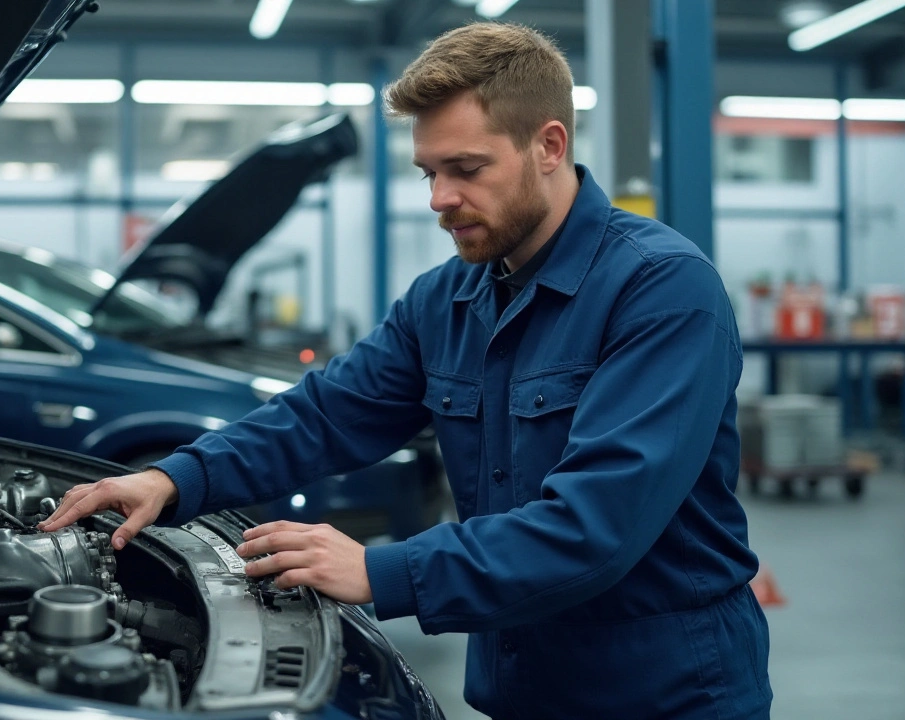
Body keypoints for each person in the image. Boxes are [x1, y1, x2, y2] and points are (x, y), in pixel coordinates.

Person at [40, 21, 771, 720]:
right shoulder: (447, 298)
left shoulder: (662, 290)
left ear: (549, 145)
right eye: (429, 171)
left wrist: (381, 572)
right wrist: (174, 479)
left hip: (665, 697)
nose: (440, 200)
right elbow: (327, 414)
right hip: (524, 689)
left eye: (467, 169)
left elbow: (596, 526)